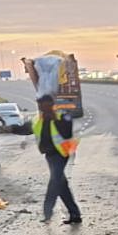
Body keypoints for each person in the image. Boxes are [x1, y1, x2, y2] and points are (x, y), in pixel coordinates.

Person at [35, 94, 82, 224]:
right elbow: (30, 129)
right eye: (40, 106)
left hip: (61, 154)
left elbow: (67, 133)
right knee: (61, 186)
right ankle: (75, 214)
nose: (41, 109)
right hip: (49, 155)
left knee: (54, 182)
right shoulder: (40, 119)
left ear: (50, 105)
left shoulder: (62, 115)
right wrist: (9, 128)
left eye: (43, 106)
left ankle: (47, 212)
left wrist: (55, 120)